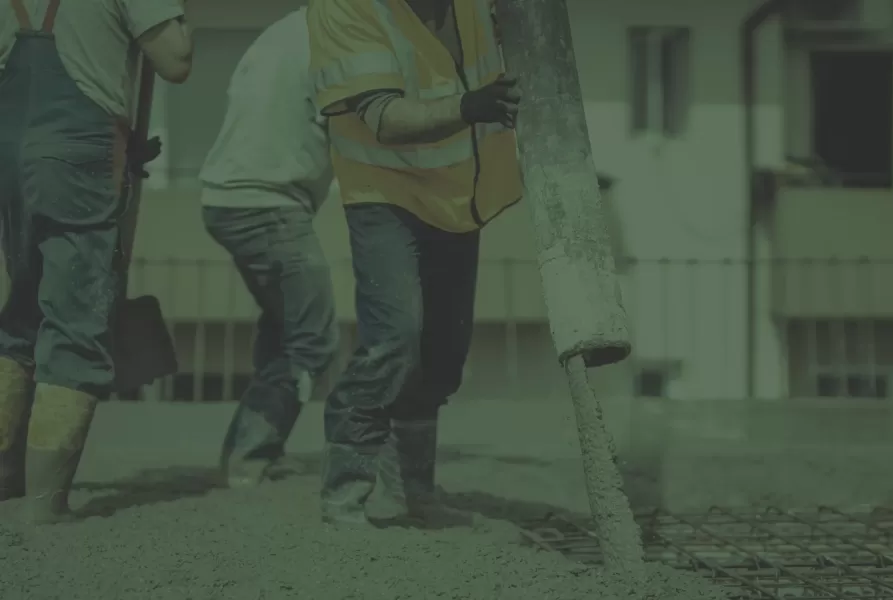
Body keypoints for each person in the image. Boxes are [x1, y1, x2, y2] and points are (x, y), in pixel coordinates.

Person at [307, 0, 523, 526]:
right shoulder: (342, 6)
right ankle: (344, 494)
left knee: (443, 355)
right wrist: (469, 107)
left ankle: (414, 495)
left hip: (456, 191)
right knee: (394, 341)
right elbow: (385, 118)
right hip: (384, 191)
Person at [0, 0, 193, 523]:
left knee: (22, 312)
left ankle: (6, 480)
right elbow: (175, 60)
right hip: (77, 151)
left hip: (11, 150)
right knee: (76, 322)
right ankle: (44, 507)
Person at [200, 9, 338, 488]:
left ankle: (261, 447)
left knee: (287, 327)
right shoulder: (338, 34)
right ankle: (248, 459)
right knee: (313, 338)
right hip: (267, 204)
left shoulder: (286, 31)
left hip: (234, 198)